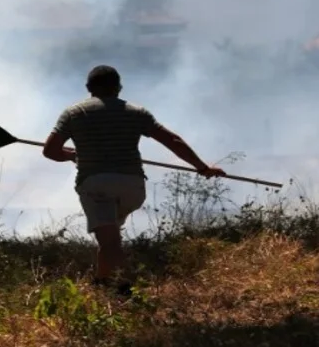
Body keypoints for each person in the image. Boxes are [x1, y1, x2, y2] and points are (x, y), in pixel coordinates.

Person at [41, 64, 226, 296]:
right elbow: (173, 141)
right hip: (132, 186)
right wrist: (202, 167)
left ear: (89, 88)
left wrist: (72, 156)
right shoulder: (137, 112)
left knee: (110, 241)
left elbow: (50, 151)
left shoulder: (74, 113)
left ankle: (125, 290)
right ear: (118, 87)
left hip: (96, 184)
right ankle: (101, 282)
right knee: (109, 237)